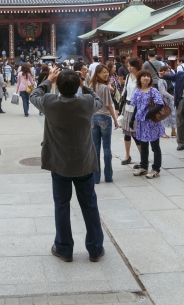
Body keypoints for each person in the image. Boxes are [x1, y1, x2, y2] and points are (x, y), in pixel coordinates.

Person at [30, 67, 105, 263]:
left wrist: (48, 81)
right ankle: (95, 248)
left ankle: (64, 248)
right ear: (77, 85)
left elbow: (34, 95)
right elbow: (100, 101)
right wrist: (85, 86)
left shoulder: (50, 102)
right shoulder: (87, 102)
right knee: (89, 205)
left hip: (59, 162)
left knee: (61, 205)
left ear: (59, 86)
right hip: (84, 162)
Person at [129, 70, 164, 178]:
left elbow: (160, 104)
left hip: (152, 123)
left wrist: (149, 113)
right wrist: (132, 119)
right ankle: (143, 167)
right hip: (141, 123)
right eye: (144, 76)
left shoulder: (153, 90)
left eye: (148, 76)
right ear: (139, 79)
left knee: (155, 147)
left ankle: (156, 169)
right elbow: (136, 106)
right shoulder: (138, 91)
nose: (146, 78)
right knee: (143, 146)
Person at [90, 65, 118, 184]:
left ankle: (96, 178)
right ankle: (108, 176)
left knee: (95, 148)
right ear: (98, 74)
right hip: (104, 118)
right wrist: (115, 119)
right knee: (106, 147)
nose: (106, 74)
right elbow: (109, 105)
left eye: (107, 72)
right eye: (103, 73)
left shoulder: (91, 86)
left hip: (93, 118)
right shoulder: (104, 88)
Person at [119, 57, 142, 164]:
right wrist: (120, 107)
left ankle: (143, 157)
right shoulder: (128, 76)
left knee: (136, 134)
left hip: (137, 109)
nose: (129, 68)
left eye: (131, 66)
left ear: (137, 66)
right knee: (127, 133)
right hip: (127, 108)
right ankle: (127, 155)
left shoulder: (142, 77)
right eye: (128, 66)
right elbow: (125, 92)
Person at [162, 69, 184, 150]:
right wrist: (162, 75)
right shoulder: (180, 74)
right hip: (181, 99)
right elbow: (169, 77)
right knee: (180, 121)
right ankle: (181, 143)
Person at [158, 66, 176, 138]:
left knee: (173, 115)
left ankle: (173, 131)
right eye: (167, 71)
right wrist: (171, 97)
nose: (168, 73)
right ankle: (163, 132)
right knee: (164, 115)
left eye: (169, 71)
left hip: (172, 100)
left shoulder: (170, 79)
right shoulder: (161, 80)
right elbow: (162, 91)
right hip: (164, 100)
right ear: (162, 71)